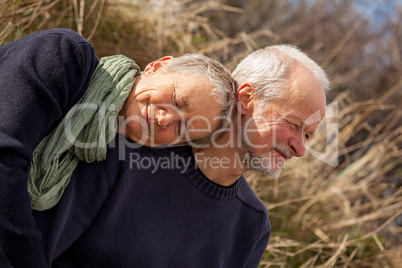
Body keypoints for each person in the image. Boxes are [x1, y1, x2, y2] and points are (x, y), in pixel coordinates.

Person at [0, 45, 329, 267]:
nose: (300, 149)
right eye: (294, 125)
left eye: (308, 137)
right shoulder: (125, 151)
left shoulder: (253, 225)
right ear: (247, 98)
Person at [0, 28, 237, 267]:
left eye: (182, 128)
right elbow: (4, 157)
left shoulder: (103, 156)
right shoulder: (66, 55)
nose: (165, 119)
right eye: (176, 100)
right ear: (157, 66)